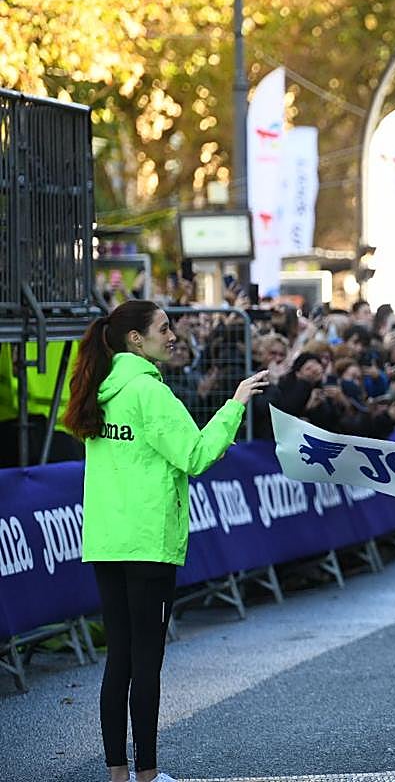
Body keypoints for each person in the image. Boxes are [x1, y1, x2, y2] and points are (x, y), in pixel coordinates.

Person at [63, 300, 269, 782]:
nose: (173, 334)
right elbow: (195, 455)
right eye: (164, 327)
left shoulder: (99, 387)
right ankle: (148, 774)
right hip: (148, 541)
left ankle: (118, 772)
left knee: (119, 658)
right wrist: (235, 403)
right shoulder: (148, 393)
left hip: (107, 540)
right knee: (146, 662)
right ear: (136, 339)